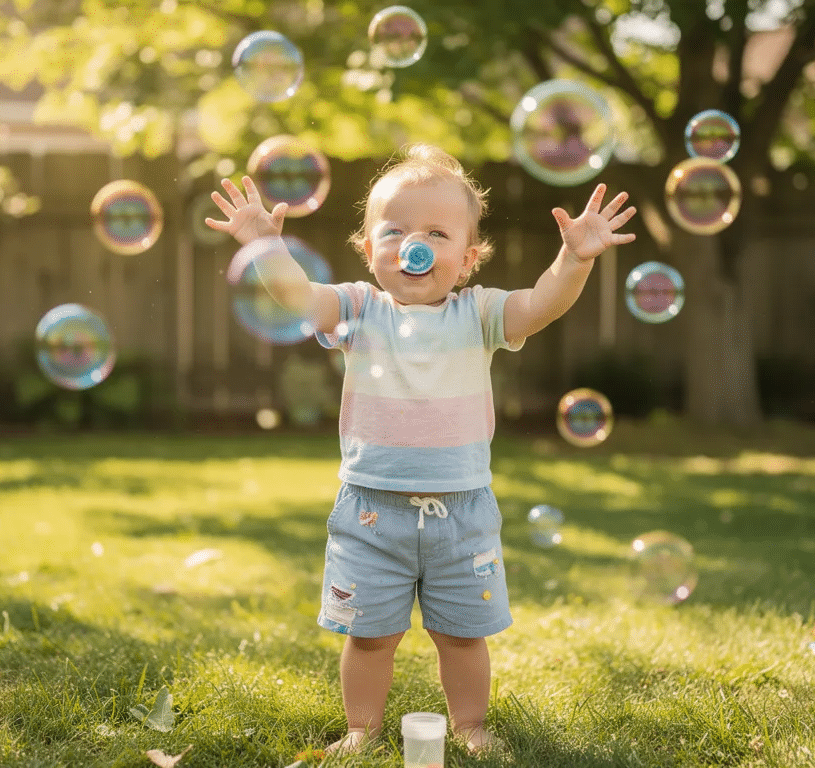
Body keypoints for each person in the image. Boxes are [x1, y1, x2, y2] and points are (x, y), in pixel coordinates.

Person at [204, 144, 637, 755]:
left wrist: (574, 257)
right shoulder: (358, 307)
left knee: (462, 635)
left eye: (437, 233)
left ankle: (471, 726)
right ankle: (362, 729)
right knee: (370, 636)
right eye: (396, 231)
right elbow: (297, 297)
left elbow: (543, 305)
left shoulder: (479, 313)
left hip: (462, 513)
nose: (416, 245)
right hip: (371, 510)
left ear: (467, 259)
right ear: (368, 249)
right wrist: (264, 245)